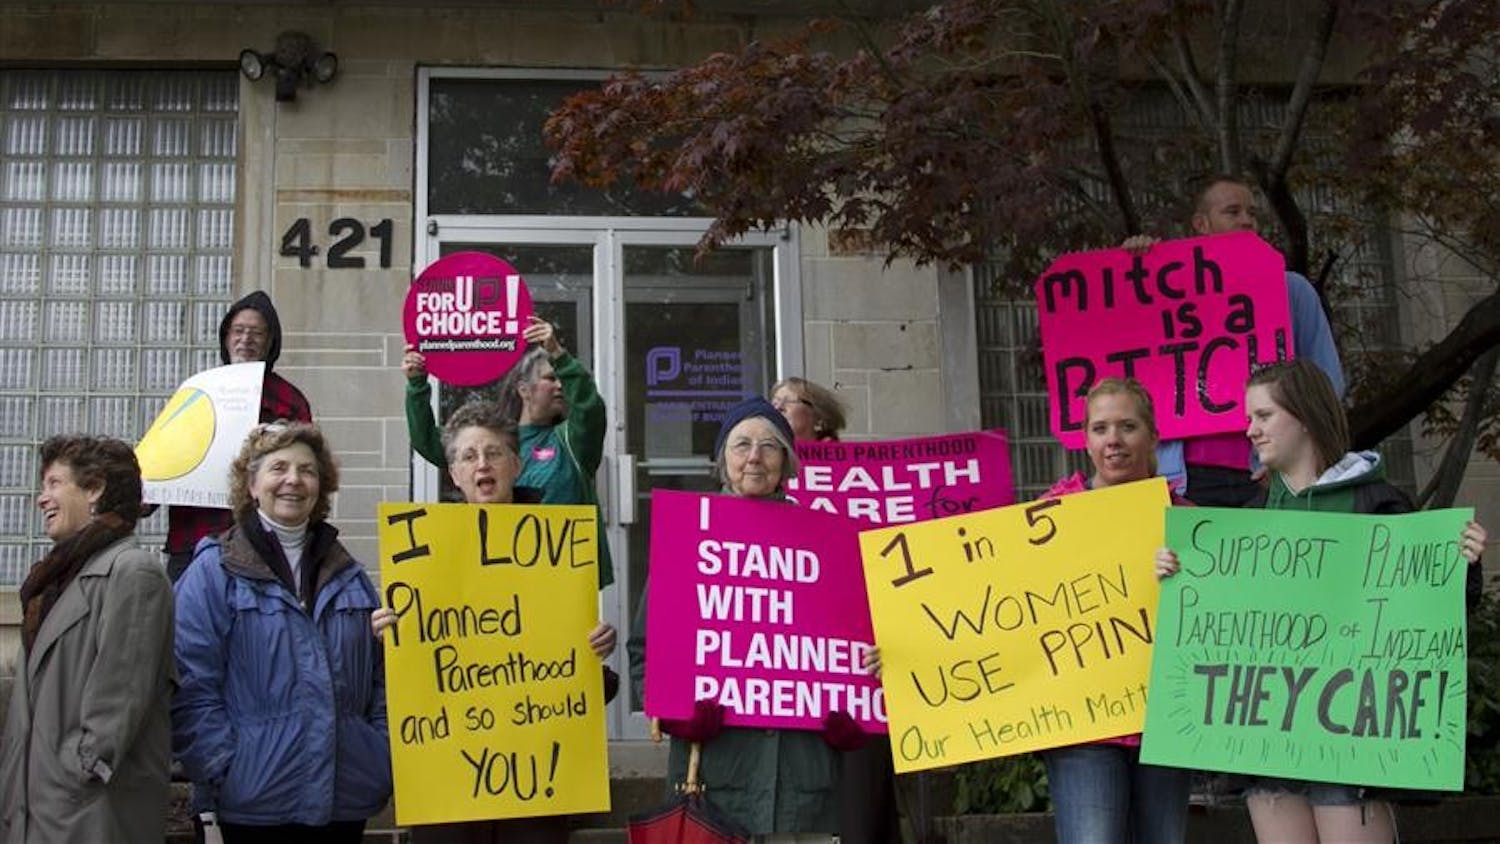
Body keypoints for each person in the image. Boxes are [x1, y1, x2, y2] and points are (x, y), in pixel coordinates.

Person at [1156, 359, 1488, 843]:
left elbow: (1432, 615)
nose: (1250, 431)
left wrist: (1464, 564)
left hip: (1351, 737)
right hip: (1268, 739)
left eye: (1264, 416)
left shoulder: (1375, 505)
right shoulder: (1242, 525)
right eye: (1249, 418)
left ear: (1306, 416)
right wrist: (1177, 574)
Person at [372, 401, 617, 843]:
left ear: (516, 464)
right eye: (468, 456)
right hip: (447, 783)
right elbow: (407, 682)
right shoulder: (420, 558)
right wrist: (386, 638)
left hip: (536, 780)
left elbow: (584, 684)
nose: (482, 464)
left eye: (494, 453)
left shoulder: (558, 550)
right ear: (453, 474)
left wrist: (596, 648)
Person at [629, 397, 855, 836]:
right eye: (742, 444)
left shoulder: (825, 542)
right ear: (723, 459)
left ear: (787, 462)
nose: (755, 456)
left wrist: (854, 705)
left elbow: (848, 645)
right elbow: (645, 649)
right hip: (715, 780)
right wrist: (674, 708)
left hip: (802, 783)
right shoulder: (690, 536)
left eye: (770, 446)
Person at [172, 422, 390, 843]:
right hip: (252, 803)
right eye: (279, 468)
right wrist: (224, 768)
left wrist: (378, 755)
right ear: (252, 484)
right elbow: (191, 684)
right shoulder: (213, 573)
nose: (294, 480)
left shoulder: (351, 577)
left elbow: (379, 683)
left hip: (344, 798)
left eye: (307, 470)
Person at [1125, 176, 1345, 506]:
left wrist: (1293, 456)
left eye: (1252, 213)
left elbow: (1327, 384)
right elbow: (1127, 371)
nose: (1246, 220)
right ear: (1202, 223)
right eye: (1233, 211)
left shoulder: (1292, 291)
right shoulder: (1167, 292)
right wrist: (1134, 270)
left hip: (1266, 473)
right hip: (1183, 480)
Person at [1037, 378, 1193, 843]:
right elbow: (1007, 614)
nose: (1113, 440)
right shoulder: (1049, 518)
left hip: (1163, 724)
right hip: (1084, 727)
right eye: (1100, 428)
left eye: (1127, 426)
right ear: (1085, 441)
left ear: (1153, 437)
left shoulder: (1189, 522)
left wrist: (1187, 579)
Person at [0, 436, 175, 844]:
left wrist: (77, 772)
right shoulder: (57, 580)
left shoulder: (133, 573)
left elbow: (121, 694)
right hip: (38, 809)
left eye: (54, 483)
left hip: (89, 813)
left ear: (94, 488)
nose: (42, 498)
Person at [403, 315, 612, 588]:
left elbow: (590, 409)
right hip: (504, 581)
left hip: (565, 585)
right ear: (524, 389)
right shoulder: (494, 439)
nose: (561, 385)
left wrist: (558, 355)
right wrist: (417, 384)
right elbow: (427, 441)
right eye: (551, 378)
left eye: (562, 378)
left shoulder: (571, 440)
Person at [165, 290, 313, 582]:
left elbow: (309, 463)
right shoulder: (198, 391)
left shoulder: (289, 400)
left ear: (271, 342)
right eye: (239, 331)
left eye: (257, 333)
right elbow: (168, 455)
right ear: (226, 337)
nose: (246, 339)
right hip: (194, 537)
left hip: (260, 541)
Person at [771, 376, 847, 441]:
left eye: (788, 401)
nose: (778, 408)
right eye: (775, 403)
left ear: (819, 418)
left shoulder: (839, 456)